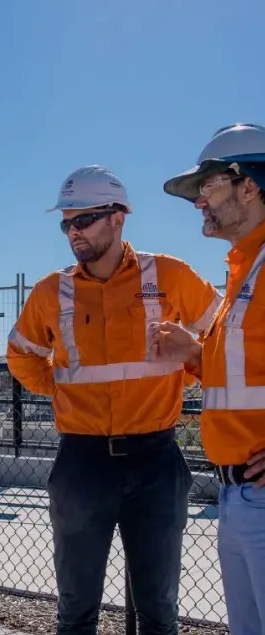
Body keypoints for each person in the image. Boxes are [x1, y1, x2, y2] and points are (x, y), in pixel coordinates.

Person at [7, 165, 222, 635]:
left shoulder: (169, 275)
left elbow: (226, 339)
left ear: (118, 217)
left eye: (83, 220)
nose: (73, 231)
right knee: (76, 611)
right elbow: (22, 356)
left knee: (158, 612)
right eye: (67, 223)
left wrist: (191, 362)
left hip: (156, 460)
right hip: (81, 464)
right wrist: (63, 389)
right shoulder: (51, 292)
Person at [147, 123, 265, 635]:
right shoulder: (245, 268)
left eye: (209, 187)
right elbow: (246, 370)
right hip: (237, 495)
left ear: (250, 186)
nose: (199, 202)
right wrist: (195, 354)